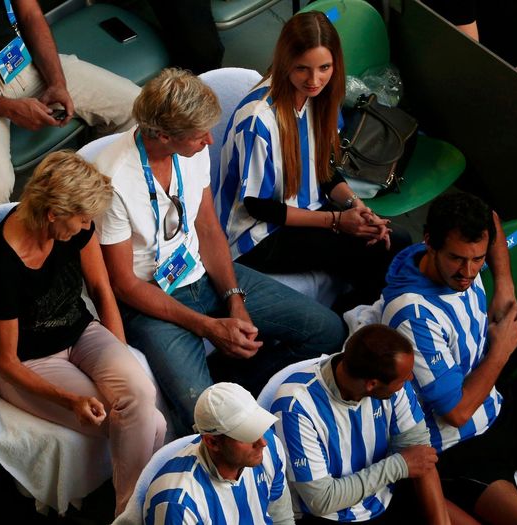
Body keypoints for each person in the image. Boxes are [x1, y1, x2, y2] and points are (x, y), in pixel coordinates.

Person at [94, 68, 346, 435]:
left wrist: (234, 299)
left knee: (329, 332)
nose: (209, 142)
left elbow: (208, 227)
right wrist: (209, 327)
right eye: (200, 135)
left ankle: (240, 386)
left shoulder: (190, 151)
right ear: (164, 135)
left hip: (203, 273)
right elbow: (124, 285)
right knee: (205, 418)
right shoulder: (112, 177)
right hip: (152, 302)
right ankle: (231, 412)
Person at [0, 151, 166, 516]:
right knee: (153, 423)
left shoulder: (76, 227)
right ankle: (134, 513)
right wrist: (70, 401)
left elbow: (100, 287)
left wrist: (121, 353)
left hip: (79, 333)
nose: (87, 225)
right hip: (29, 363)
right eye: (82, 219)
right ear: (52, 214)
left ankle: (130, 514)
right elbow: (7, 361)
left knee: (140, 392)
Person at [379, 192, 517, 524]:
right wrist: (501, 349)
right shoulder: (412, 315)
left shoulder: (455, 255)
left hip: (499, 408)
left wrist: (504, 283)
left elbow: (491, 221)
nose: (469, 272)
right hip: (458, 450)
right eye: (458, 259)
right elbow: (457, 413)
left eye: (478, 259)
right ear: (429, 242)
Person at [216, 11, 410, 308]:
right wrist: (336, 221)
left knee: (391, 239)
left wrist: (356, 206)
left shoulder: (322, 99)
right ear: (285, 63)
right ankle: (353, 323)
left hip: (306, 208)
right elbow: (259, 206)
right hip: (258, 236)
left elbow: (324, 170)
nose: (314, 79)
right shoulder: (258, 121)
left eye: (324, 67)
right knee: (381, 248)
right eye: (302, 68)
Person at [0, 0, 140, 216]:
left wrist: (57, 82)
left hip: (26, 62)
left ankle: (92, 207)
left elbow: (31, 15)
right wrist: (10, 108)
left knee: (134, 107)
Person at [271, 324, 464, 525]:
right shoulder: (295, 406)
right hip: (329, 516)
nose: (410, 378)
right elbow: (321, 501)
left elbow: (420, 456)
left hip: (384, 496)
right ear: (372, 384)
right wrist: (399, 465)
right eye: (402, 378)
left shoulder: (390, 382)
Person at [141, 382, 295, 524]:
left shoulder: (270, 446)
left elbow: (281, 518)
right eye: (247, 435)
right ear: (212, 442)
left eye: (258, 427)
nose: (262, 443)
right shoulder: (177, 504)